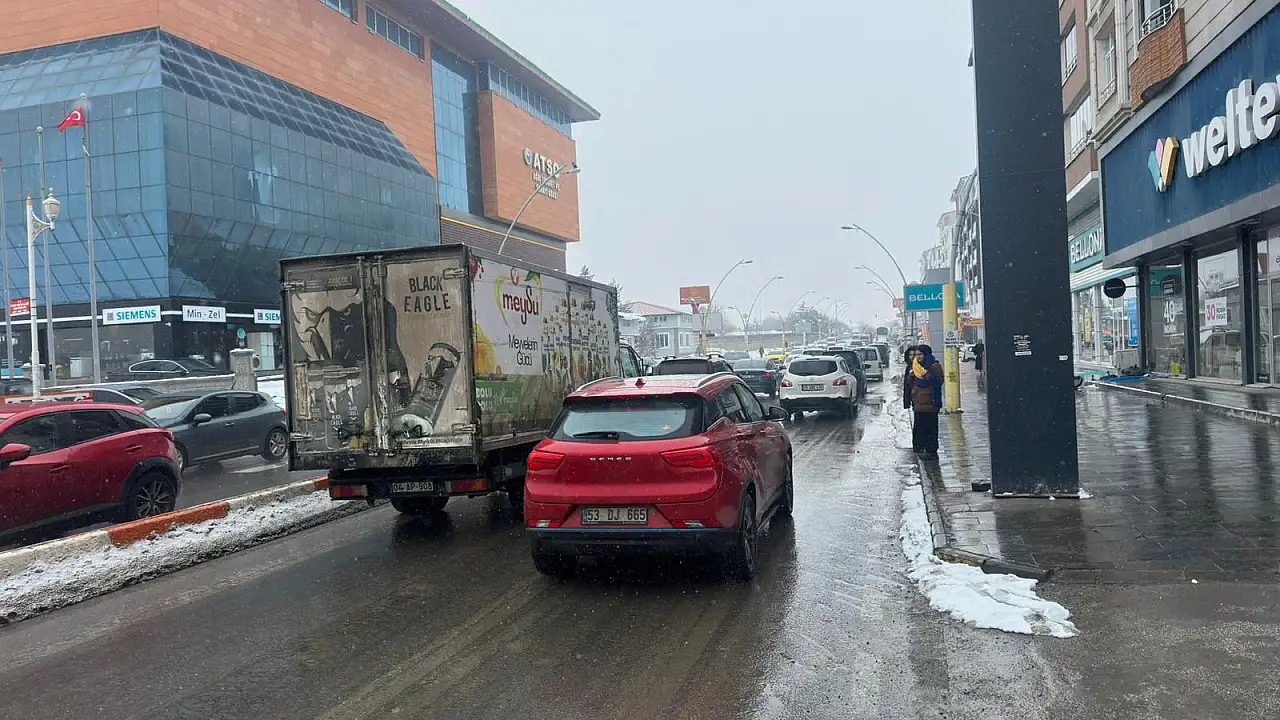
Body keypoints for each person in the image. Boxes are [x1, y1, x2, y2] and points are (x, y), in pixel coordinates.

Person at [905, 343, 944, 457]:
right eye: (916, 354)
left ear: (926, 354)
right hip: (918, 403)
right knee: (920, 428)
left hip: (930, 402)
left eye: (920, 354)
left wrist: (926, 375)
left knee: (930, 428)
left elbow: (939, 381)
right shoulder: (915, 366)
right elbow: (910, 384)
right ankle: (921, 448)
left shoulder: (933, 366)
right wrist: (911, 377)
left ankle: (931, 451)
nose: (918, 356)